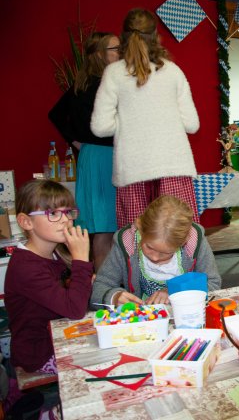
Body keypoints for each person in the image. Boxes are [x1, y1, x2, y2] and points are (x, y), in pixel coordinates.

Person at [91, 8, 200, 228]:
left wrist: (129, 123)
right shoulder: (173, 71)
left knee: (137, 242)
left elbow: (100, 127)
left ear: (124, 37)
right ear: (155, 36)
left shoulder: (113, 73)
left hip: (133, 170)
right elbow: (192, 124)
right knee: (178, 237)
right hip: (174, 167)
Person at [48, 32, 120, 272]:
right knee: (107, 229)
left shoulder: (83, 82)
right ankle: (104, 289)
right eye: (115, 48)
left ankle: (103, 285)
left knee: (103, 228)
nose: (120, 52)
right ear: (100, 54)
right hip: (104, 158)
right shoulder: (103, 83)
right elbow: (56, 115)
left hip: (92, 157)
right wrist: (75, 140)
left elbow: (55, 115)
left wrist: (76, 141)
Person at [6, 180, 92, 373]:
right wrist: (81, 261)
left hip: (59, 335)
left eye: (68, 212)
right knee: (99, 360)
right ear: (26, 222)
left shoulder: (55, 254)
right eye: (53, 213)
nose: (65, 220)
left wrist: (83, 279)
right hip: (38, 353)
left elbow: (71, 299)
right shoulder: (26, 267)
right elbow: (75, 309)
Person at [91, 195, 221, 308]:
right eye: (149, 247)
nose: (155, 258)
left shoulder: (194, 242)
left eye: (165, 253)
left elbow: (213, 284)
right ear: (140, 228)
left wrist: (175, 291)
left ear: (184, 242)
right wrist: (114, 297)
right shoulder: (127, 243)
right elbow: (100, 286)